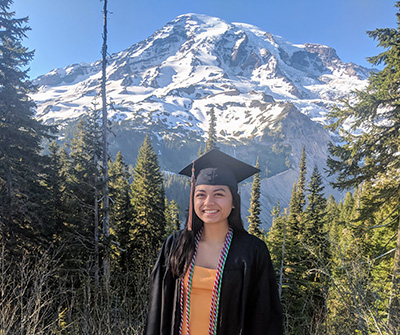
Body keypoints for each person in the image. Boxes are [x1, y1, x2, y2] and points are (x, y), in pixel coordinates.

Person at [145, 149, 283, 335]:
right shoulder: (175, 245)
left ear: (233, 201)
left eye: (219, 194)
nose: (208, 202)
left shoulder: (252, 251)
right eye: (200, 195)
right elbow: (158, 309)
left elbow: (264, 317)